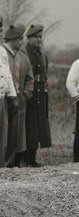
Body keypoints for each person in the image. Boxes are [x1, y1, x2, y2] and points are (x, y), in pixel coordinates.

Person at [3, 24, 33, 168]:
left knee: (18, 133)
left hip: (19, 101)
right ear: (12, 39)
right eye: (20, 38)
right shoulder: (3, 54)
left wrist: (26, 94)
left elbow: (29, 78)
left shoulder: (23, 58)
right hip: (4, 100)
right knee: (4, 131)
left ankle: (14, 163)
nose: (22, 41)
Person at [23, 24, 51, 167]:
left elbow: (44, 76)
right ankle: (23, 159)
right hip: (28, 93)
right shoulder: (24, 53)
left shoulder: (42, 55)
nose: (39, 39)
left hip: (39, 92)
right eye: (36, 37)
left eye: (40, 37)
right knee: (27, 125)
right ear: (29, 38)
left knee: (37, 126)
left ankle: (31, 159)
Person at [0, 18, 18, 168]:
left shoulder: (2, 51)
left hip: (2, 99)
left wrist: (12, 96)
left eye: (0, 31)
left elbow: (7, 75)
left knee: (2, 137)